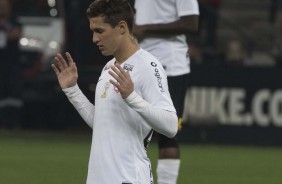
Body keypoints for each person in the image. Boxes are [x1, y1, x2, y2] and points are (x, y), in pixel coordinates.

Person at [51, 0, 178, 183]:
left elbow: (171, 126)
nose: (94, 39)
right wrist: (72, 90)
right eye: (93, 31)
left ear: (121, 27)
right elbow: (103, 123)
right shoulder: (109, 67)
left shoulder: (148, 66)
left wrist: (132, 98)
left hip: (128, 178)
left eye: (100, 31)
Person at [132, 0, 199, 183]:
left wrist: (145, 29)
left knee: (168, 134)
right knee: (129, 129)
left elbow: (191, 23)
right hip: (139, 60)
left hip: (170, 65)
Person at [0, 0, 23, 129]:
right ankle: (2, 122)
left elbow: (15, 34)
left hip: (13, 64)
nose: (2, 9)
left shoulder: (14, 20)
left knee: (14, 94)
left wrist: (5, 28)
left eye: (4, 6)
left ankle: (15, 122)